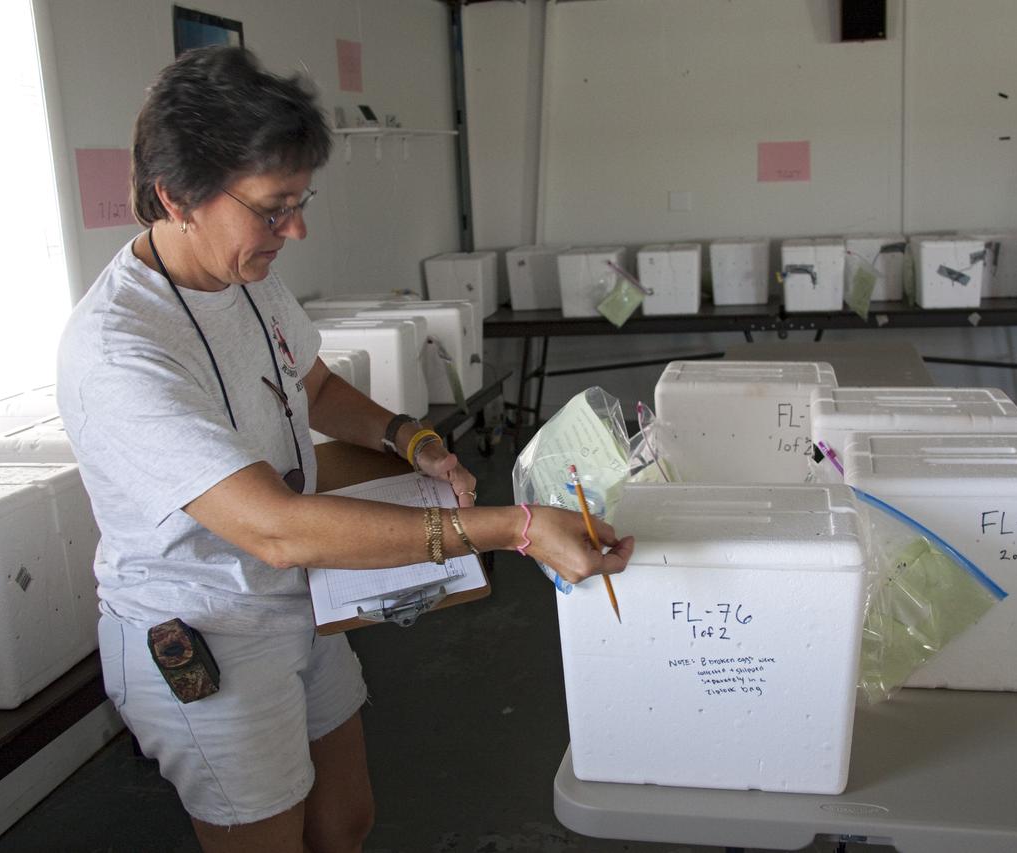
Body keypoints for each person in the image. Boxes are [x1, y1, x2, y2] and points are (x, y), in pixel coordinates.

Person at [55, 46, 632, 853]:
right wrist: (517, 526)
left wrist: (411, 438)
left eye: (300, 199)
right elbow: (276, 527)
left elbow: (312, 384)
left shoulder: (245, 273)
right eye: (272, 207)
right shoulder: (121, 352)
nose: (295, 228)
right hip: (206, 624)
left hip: (297, 598)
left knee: (345, 817)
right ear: (175, 198)